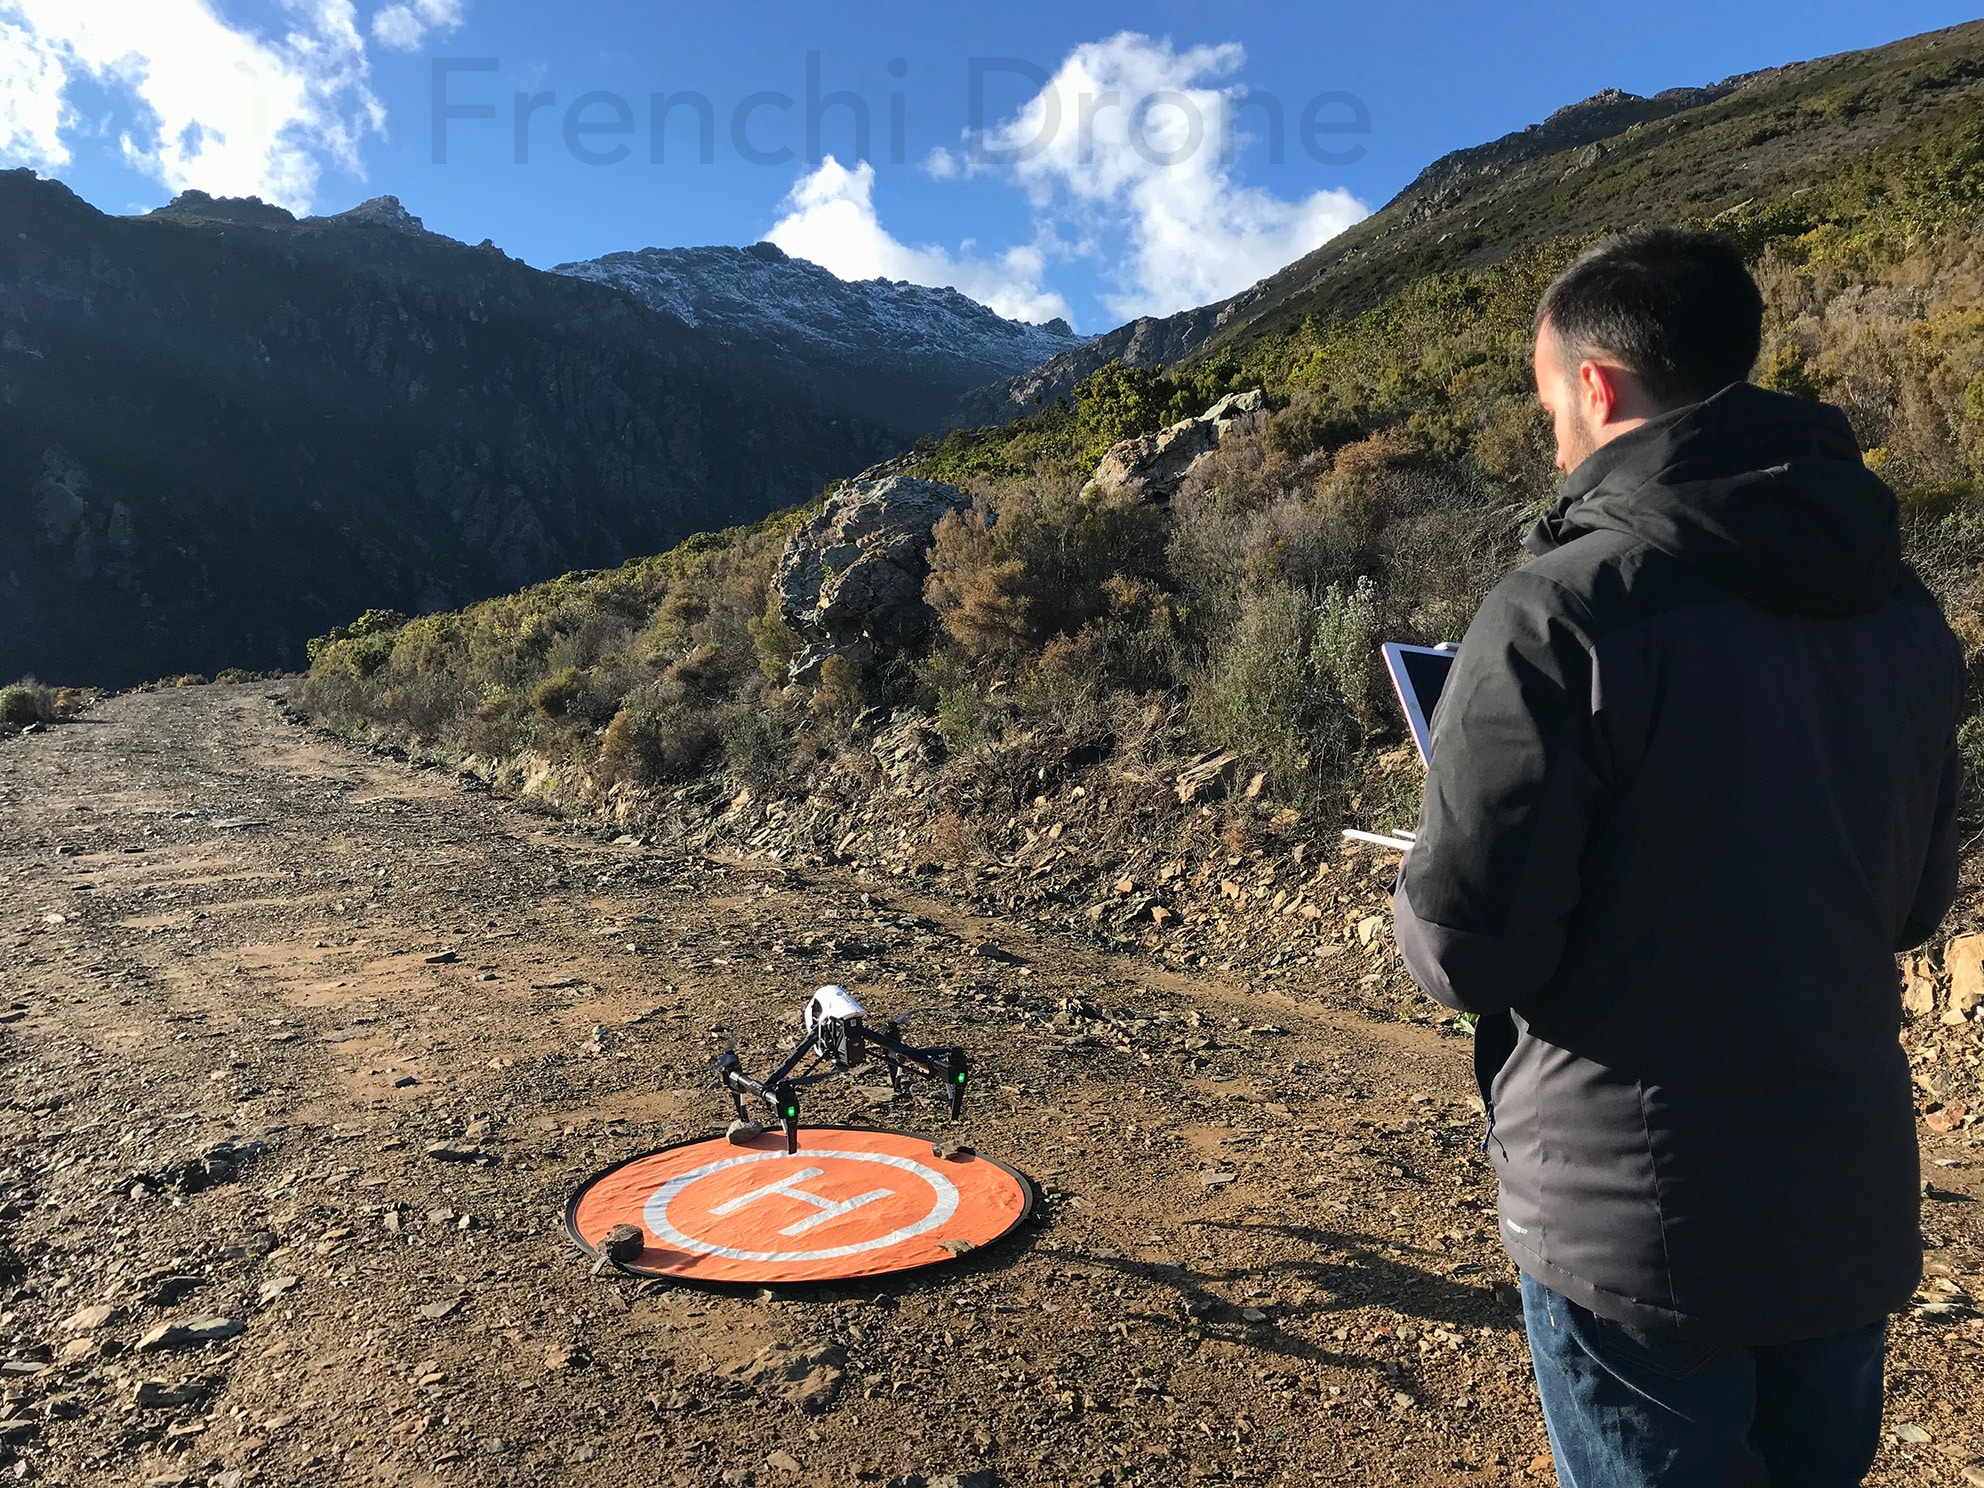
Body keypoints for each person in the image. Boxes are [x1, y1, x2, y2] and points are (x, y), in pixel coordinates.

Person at [1391, 228, 1965, 1488]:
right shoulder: (1904, 610)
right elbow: (1916, 902)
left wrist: (1439, 832)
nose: (1550, 438)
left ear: (1595, 386)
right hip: (1845, 1201)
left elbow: (1470, 950)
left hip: (1636, 1222)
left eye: (1547, 400)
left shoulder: (1561, 610)